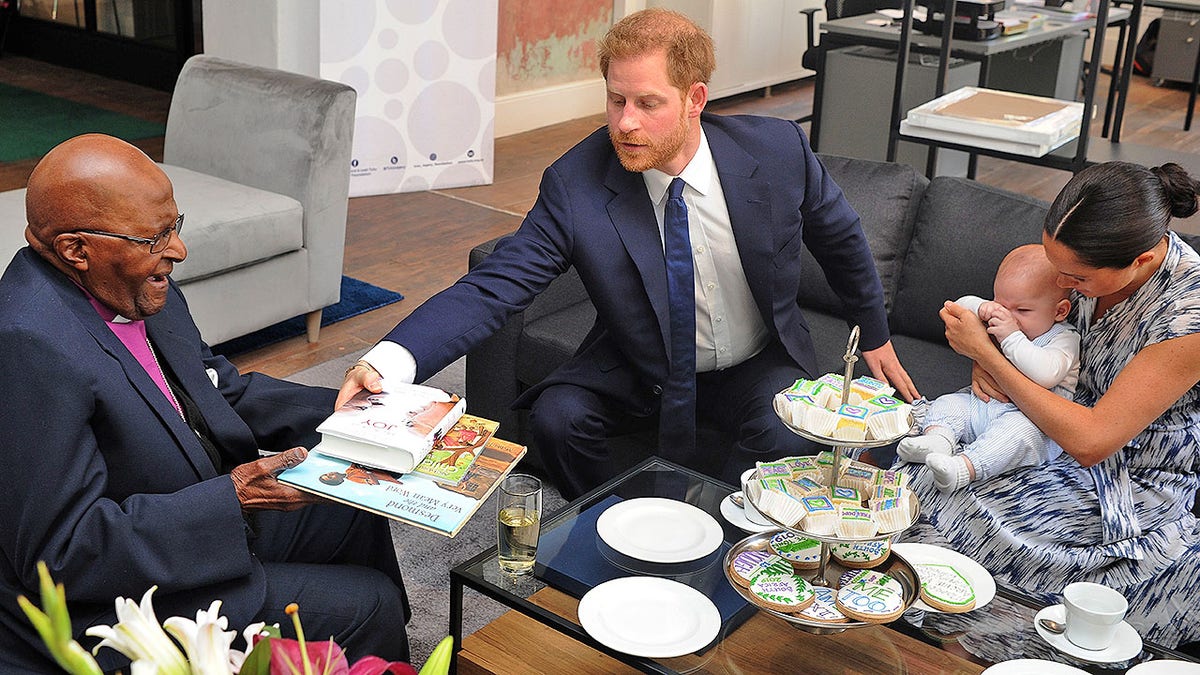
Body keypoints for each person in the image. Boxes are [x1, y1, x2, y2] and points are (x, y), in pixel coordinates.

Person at [339, 8, 918, 499]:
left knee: (790, 435)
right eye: (615, 100)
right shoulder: (576, 183)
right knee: (556, 421)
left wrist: (874, 331)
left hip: (755, 358)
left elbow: (839, 236)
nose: (625, 122)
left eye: (647, 102)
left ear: (695, 99)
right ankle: (612, 523)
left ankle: (717, 539)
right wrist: (390, 360)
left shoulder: (777, 149)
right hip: (640, 363)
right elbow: (496, 284)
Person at [0, 134, 410, 671]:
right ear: (77, 250)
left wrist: (371, 415)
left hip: (193, 513)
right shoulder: (28, 347)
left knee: (353, 511)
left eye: (175, 226)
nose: (177, 251)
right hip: (118, 598)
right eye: (154, 237)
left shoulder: (137, 285)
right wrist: (233, 499)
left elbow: (222, 392)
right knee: (366, 602)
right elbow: (62, 555)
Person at [902, 161, 1200, 647]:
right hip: (1042, 427)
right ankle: (913, 629)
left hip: (1127, 478)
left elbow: (1093, 441)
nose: (1060, 282)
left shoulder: (1189, 313)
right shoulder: (1079, 261)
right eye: (1053, 263)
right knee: (915, 471)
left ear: (1141, 262)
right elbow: (1026, 327)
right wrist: (993, 354)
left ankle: (974, 642)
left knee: (964, 506)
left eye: (1075, 277)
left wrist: (988, 358)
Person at [897, 244, 1080, 492]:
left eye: (1022, 311)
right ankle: (938, 441)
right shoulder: (1004, 312)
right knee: (948, 404)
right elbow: (959, 306)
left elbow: (1045, 375)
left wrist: (1011, 337)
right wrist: (981, 308)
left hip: (1032, 422)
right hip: (981, 406)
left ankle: (962, 469)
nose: (1008, 316)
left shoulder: (1064, 340)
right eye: (1000, 305)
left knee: (1015, 436)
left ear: (1060, 311)